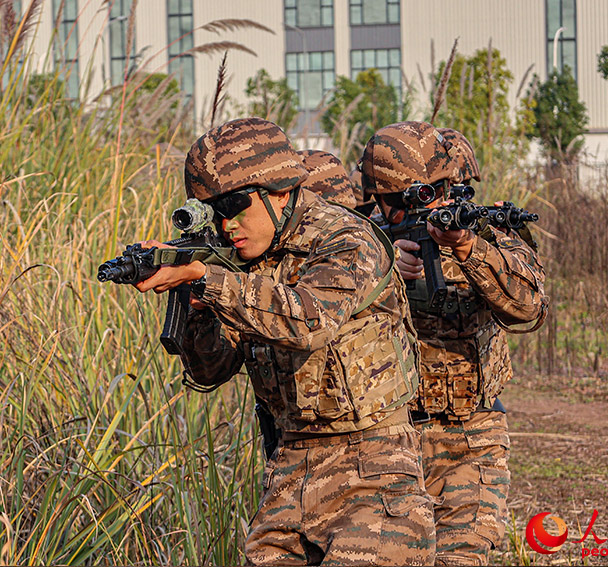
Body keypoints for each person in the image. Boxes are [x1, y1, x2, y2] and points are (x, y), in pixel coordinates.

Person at [134, 117, 435, 566]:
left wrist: (210, 281)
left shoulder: (346, 238)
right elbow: (211, 370)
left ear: (279, 191)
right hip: (288, 471)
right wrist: (197, 310)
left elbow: (310, 320)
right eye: (211, 210)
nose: (225, 223)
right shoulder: (240, 259)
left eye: (234, 204)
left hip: (373, 471)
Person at [360, 121, 548, 566]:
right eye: (394, 203)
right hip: (385, 441)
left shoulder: (484, 233)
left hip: (470, 436)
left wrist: (468, 250)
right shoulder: (359, 241)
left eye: (433, 192)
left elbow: (528, 308)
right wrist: (381, 273)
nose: (414, 210)